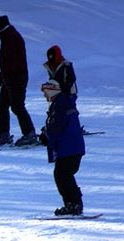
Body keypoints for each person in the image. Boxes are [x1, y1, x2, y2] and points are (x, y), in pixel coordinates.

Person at [0, 15, 37, 147]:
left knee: (17, 106)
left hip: (16, 78)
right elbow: (9, 62)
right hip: (10, 77)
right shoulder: (8, 36)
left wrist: (4, 76)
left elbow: (14, 62)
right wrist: (2, 76)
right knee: (2, 106)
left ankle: (29, 133)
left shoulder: (11, 37)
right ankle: (4, 133)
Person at [39, 80, 85, 216]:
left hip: (69, 147)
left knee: (62, 175)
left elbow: (57, 126)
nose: (45, 96)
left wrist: (46, 134)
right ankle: (73, 203)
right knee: (63, 175)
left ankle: (74, 204)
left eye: (46, 92)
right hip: (70, 147)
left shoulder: (61, 104)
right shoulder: (61, 103)